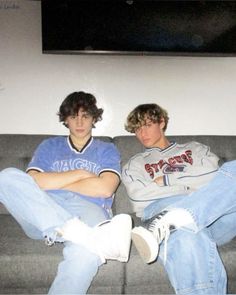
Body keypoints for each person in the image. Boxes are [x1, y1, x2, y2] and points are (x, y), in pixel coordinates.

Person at [0, 91, 132, 294]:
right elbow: (32, 181)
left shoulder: (105, 149)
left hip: (90, 211)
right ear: (65, 120)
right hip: (43, 211)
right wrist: (80, 174)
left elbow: (105, 188)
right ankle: (76, 230)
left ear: (94, 119)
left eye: (85, 116)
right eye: (73, 116)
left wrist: (55, 182)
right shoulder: (50, 146)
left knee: (85, 256)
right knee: (6, 176)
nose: (79, 122)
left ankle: (77, 233)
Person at [122, 103, 236, 294]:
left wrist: (166, 179)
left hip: (214, 214)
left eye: (147, 125)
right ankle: (177, 219)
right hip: (164, 206)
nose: (142, 133)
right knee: (187, 236)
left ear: (162, 122)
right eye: (137, 129)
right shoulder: (134, 164)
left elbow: (214, 176)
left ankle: (175, 219)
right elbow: (138, 197)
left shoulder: (195, 149)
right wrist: (189, 186)